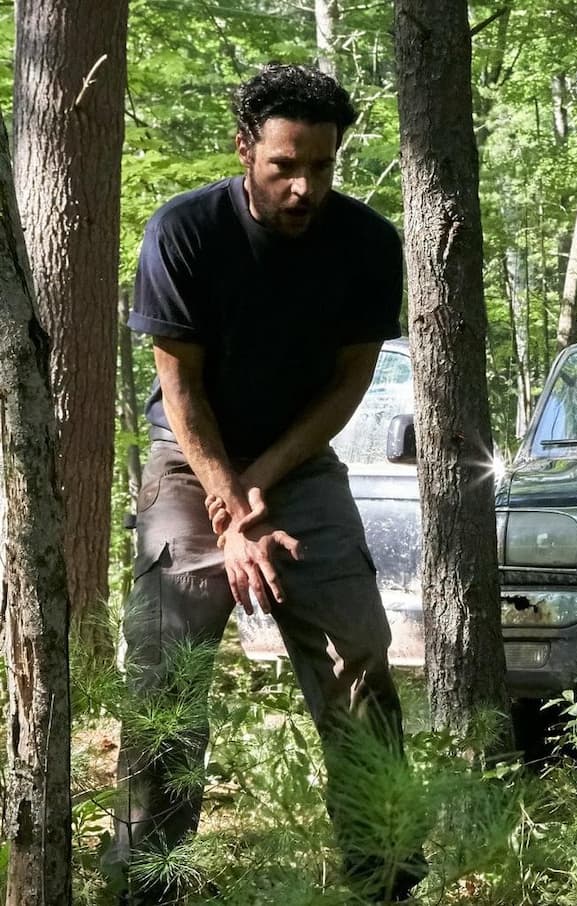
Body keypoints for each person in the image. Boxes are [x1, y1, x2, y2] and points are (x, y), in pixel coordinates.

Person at [106, 63, 424, 904]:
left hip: (298, 462)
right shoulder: (184, 232)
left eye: (322, 166)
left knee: (361, 650)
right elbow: (180, 389)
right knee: (166, 669)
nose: (304, 187)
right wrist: (232, 510)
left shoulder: (367, 243)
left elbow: (349, 384)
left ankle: (384, 874)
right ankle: (148, 880)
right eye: (286, 165)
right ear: (245, 149)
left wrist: (262, 483)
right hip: (191, 459)